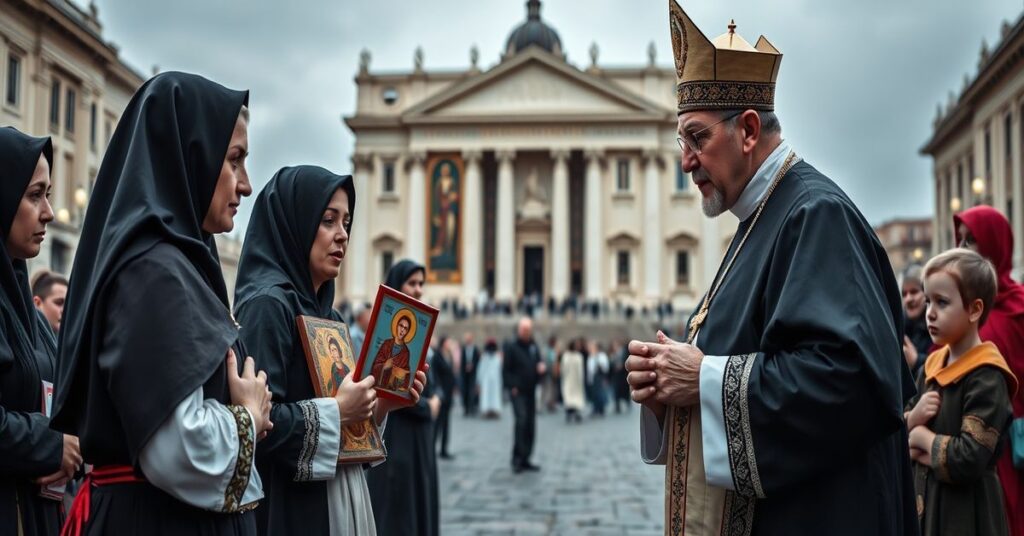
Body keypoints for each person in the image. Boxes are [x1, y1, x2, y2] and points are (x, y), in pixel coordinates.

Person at [626, 5, 917, 534]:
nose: (686, 161)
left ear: (748, 130)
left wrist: (703, 378)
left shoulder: (814, 214)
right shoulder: (757, 222)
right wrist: (665, 386)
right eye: (681, 144)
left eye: (696, 138)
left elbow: (851, 381)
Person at [50, 72, 273, 535]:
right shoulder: (154, 272)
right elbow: (180, 450)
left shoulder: (178, 264)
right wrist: (249, 416)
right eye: (234, 160)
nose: (246, 184)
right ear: (191, 154)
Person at [233, 165, 426, 535]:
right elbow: (258, 426)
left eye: (347, 223)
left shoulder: (330, 314)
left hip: (339, 498)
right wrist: (337, 411)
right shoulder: (268, 307)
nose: (343, 235)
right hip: (292, 510)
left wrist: (383, 403)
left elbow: (346, 429)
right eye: (328, 220)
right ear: (295, 224)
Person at [0, 127, 80, 536]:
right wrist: (49, 446)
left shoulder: (25, 311)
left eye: (48, 194)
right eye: (35, 195)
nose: (48, 211)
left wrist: (70, 445)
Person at [905, 248, 1016, 535]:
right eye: (929, 300)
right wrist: (912, 418)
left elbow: (969, 458)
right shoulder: (931, 366)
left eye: (942, 302)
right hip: (929, 510)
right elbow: (900, 436)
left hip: (969, 514)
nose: (930, 312)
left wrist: (922, 438)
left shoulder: (987, 375)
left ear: (974, 309)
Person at [954, 205, 1024, 535]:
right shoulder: (961, 310)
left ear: (996, 245)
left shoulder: (1018, 308)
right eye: (961, 240)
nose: (963, 249)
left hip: (1015, 446)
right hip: (972, 448)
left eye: (973, 240)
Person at [366, 260, 441, 536]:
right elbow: (391, 386)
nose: (419, 290)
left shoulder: (419, 340)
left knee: (419, 500)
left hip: (420, 440)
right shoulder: (383, 340)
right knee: (398, 509)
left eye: (421, 284)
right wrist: (427, 406)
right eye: (412, 283)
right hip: (397, 435)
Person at [502, 317, 545, 473]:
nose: (526, 332)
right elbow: (506, 370)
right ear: (519, 330)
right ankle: (517, 458)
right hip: (517, 391)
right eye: (523, 329)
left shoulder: (533, 346)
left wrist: (541, 369)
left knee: (530, 424)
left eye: (528, 329)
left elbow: (539, 363)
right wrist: (512, 386)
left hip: (531, 390)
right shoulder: (511, 347)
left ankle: (526, 457)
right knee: (521, 421)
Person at [902, 264, 932, 376]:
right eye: (904, 294)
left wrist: (917, 361)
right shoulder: (900, 328)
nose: (908, 299)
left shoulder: (937, 326)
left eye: (914, 292)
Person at [370, 312, 414, 391]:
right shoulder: (386, 344)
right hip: (378, 389)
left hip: (392, 392)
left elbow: (406, 376)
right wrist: (384, 366)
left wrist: (400, 375)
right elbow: (375, 366)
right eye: (401, 325)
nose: (402, 330)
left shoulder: (406, 352)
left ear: (407, 332)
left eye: (406, 328)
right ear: (396, 326)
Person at [433, 335, 457, 460]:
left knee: (446, 423)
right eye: (448, 342)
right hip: (441, 395)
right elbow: (436, 375)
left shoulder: (449, 356)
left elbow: (452, 373)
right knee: (438, 423)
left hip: (448, 395)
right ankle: (432, 447)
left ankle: (444, 449)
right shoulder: (437, 356)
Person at [560, 339, 586, 424]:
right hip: (575, 379)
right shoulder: (578, 356)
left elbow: (563, 369)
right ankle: (574, 412)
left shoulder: (566, 356)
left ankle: (571, 412)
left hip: (570, 379)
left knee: (570, 396)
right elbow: (580, 370)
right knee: (574, 397)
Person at [477, 339, 503, 418]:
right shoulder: (484, 358)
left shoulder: (498, 358)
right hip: (486, 381)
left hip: (495, 380)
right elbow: (480, 370)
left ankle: (494, 411)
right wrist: (479, 381)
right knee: (486, 395)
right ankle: (486, 410)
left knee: (495, 396)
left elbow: (500, 370)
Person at [461, 332, 479, 416]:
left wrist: (472, 366)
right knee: (465, 390)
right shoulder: (463, 349)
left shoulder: (475, 349)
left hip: (473, 373)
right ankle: (466, 408)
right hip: (465, 374)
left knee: (472, 391)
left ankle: (472, 407)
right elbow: (462, 361)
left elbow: (477, 360)